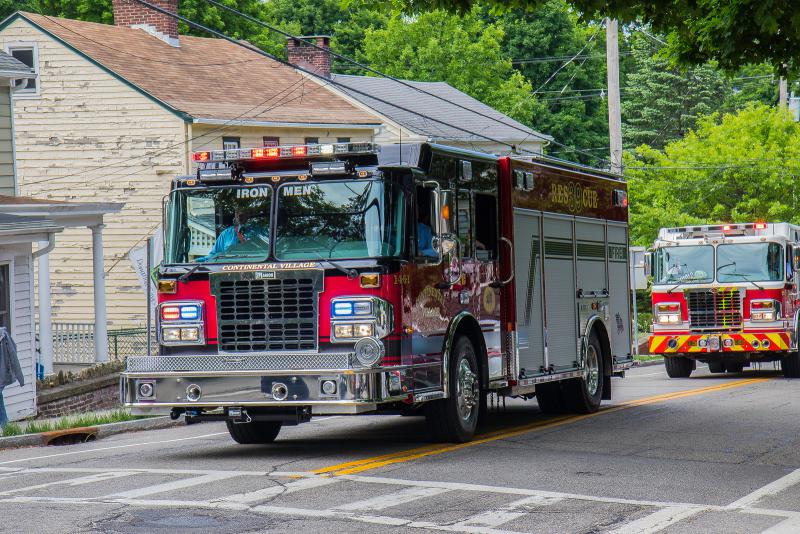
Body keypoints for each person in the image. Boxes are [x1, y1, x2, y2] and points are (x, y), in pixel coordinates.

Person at [197, 206, 268, 262]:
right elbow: (213, 255)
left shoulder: (258, 231)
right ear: (235, 215)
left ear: (248, 215)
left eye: (242, 214)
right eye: (238, 214)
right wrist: (197, 261)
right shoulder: (226, 234)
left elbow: (266, 249)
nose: (240, 217)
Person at [0, 327, 23, 429]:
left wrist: (20, 378)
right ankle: (5, 425)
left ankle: (5, 425)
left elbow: (13, 356)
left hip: (2, 374)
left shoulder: (3, 337)